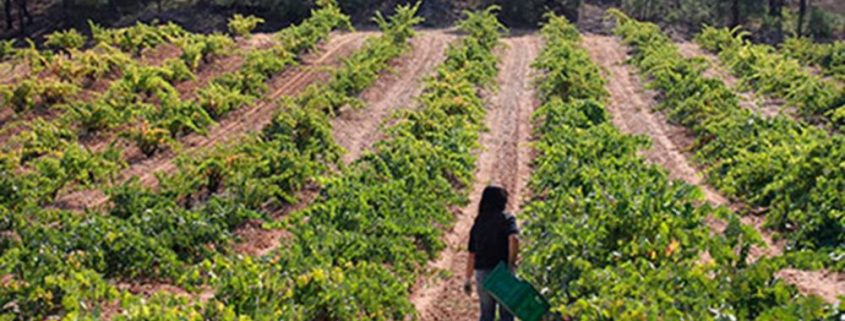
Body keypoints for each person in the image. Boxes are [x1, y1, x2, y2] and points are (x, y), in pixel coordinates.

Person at [463, 185, 519, 321]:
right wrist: (511, 263)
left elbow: (472, 254)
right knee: (506, 314)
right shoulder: (507, 219)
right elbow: (514, 239)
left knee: (486, 314)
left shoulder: (479, 222)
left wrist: (467, 279)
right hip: (502, 271)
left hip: (482, 274)